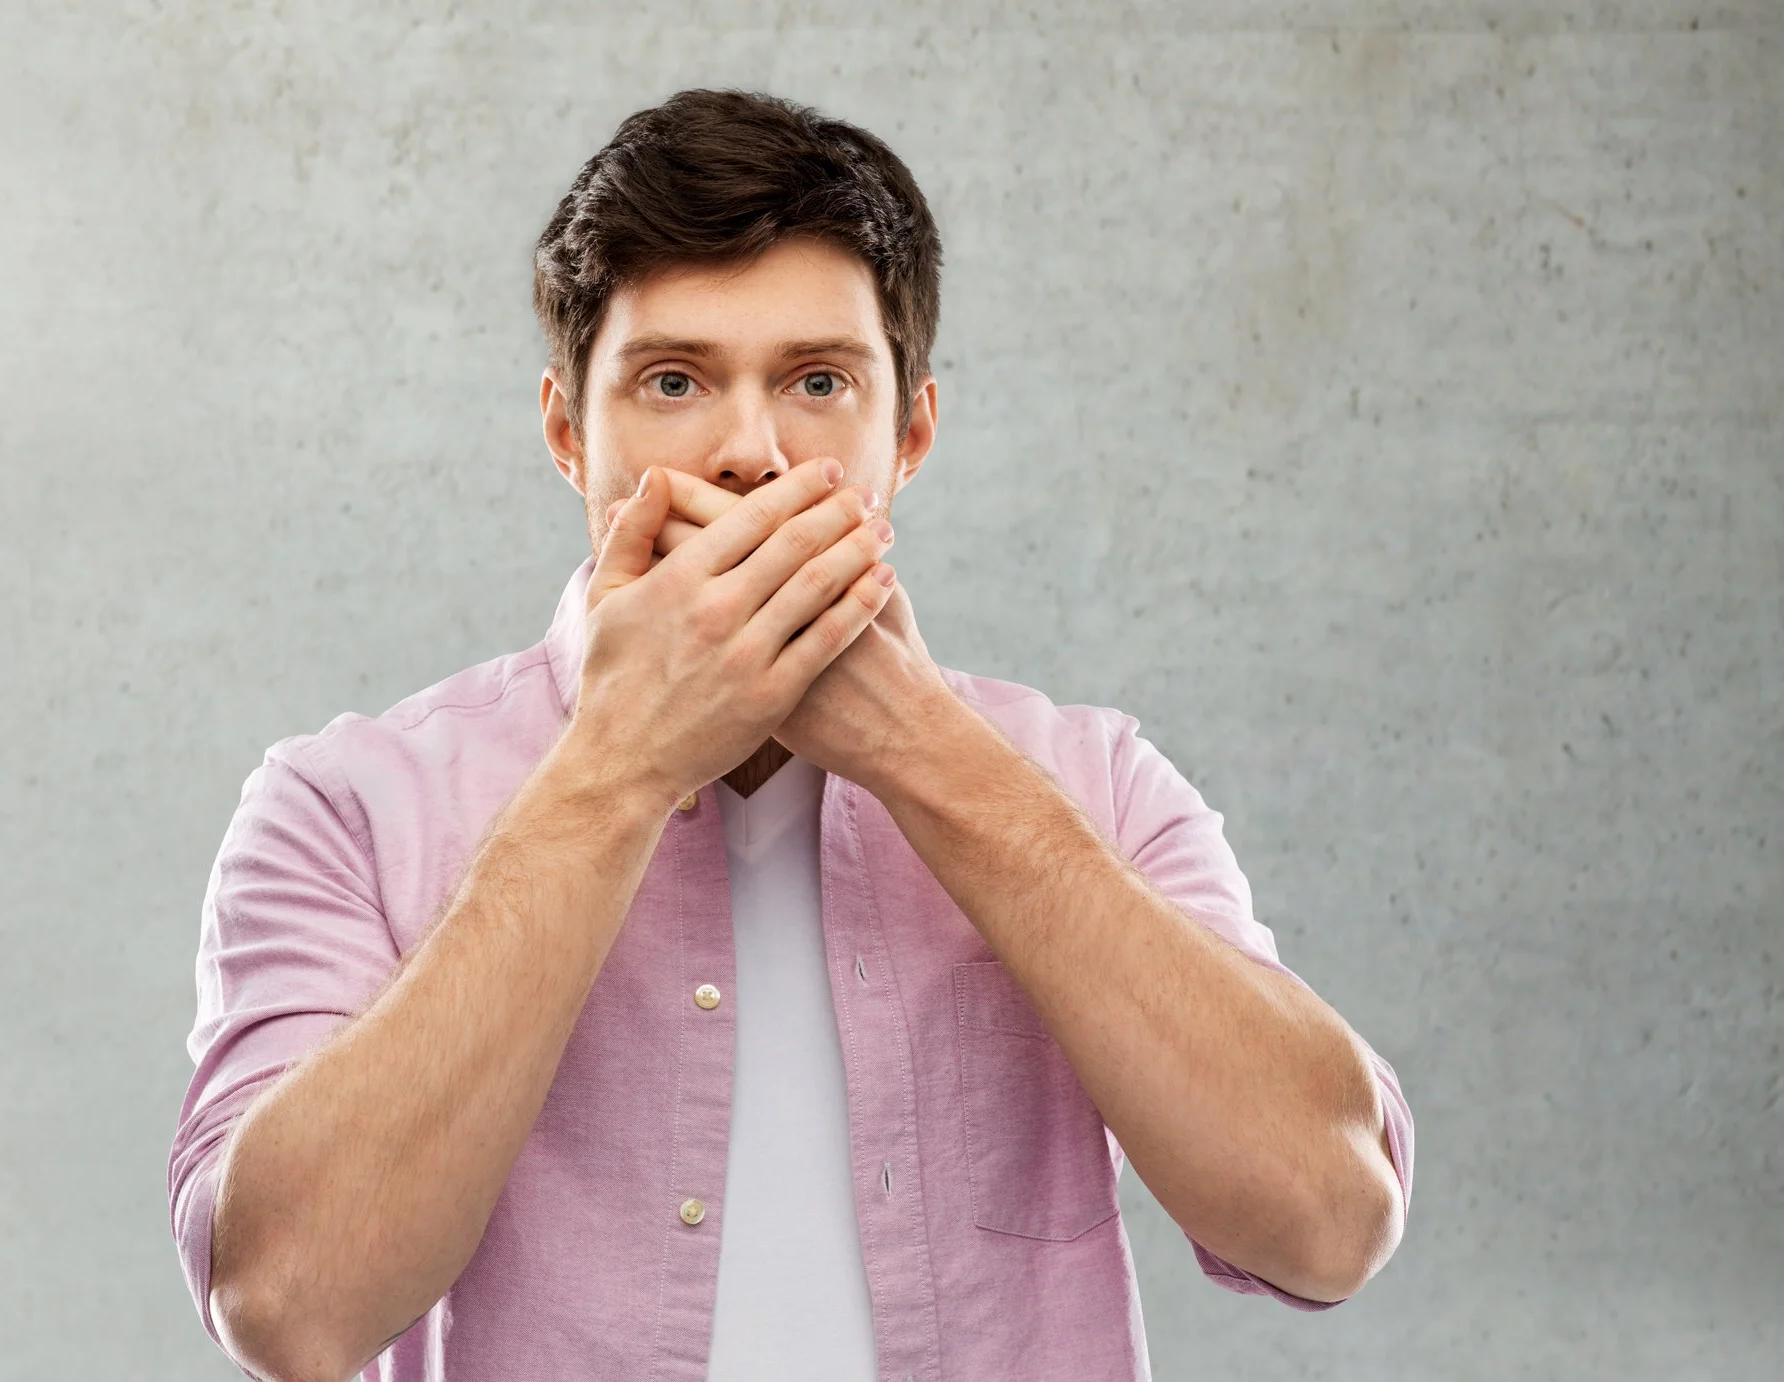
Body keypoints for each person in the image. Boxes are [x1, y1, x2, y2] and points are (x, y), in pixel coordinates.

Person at [167, 88, 1413, 1382]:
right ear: (567, 431)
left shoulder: (1100, 781)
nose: (751, 453)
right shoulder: (345, 806)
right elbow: (287, 1306)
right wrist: (618, 764)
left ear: (910, 432)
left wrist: (929, 753)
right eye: (673, 381)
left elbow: (1329, 1222)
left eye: (819, 381)